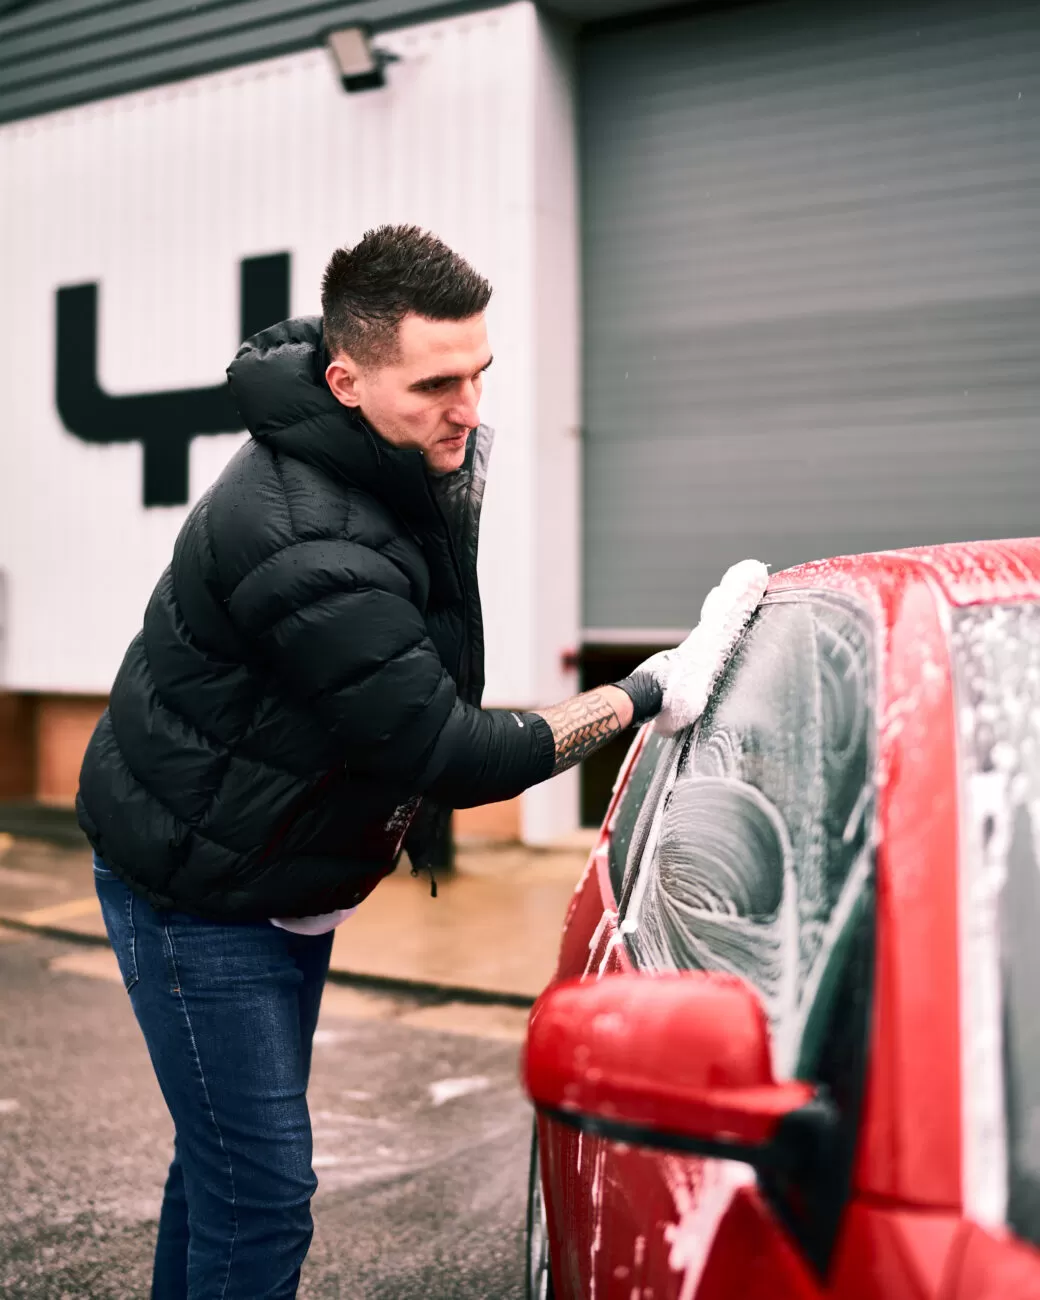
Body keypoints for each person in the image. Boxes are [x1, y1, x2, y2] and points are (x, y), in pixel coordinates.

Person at [78, 225, 678, 1299]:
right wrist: (633, 696)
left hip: (272, 867)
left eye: (479, 373)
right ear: (345, 380)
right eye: (436, 384)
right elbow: (445, 750)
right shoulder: (304, 536)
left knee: (221, 1174)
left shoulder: (380, 454)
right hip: (196, 890)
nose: (468, 407)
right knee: (262, 1197)